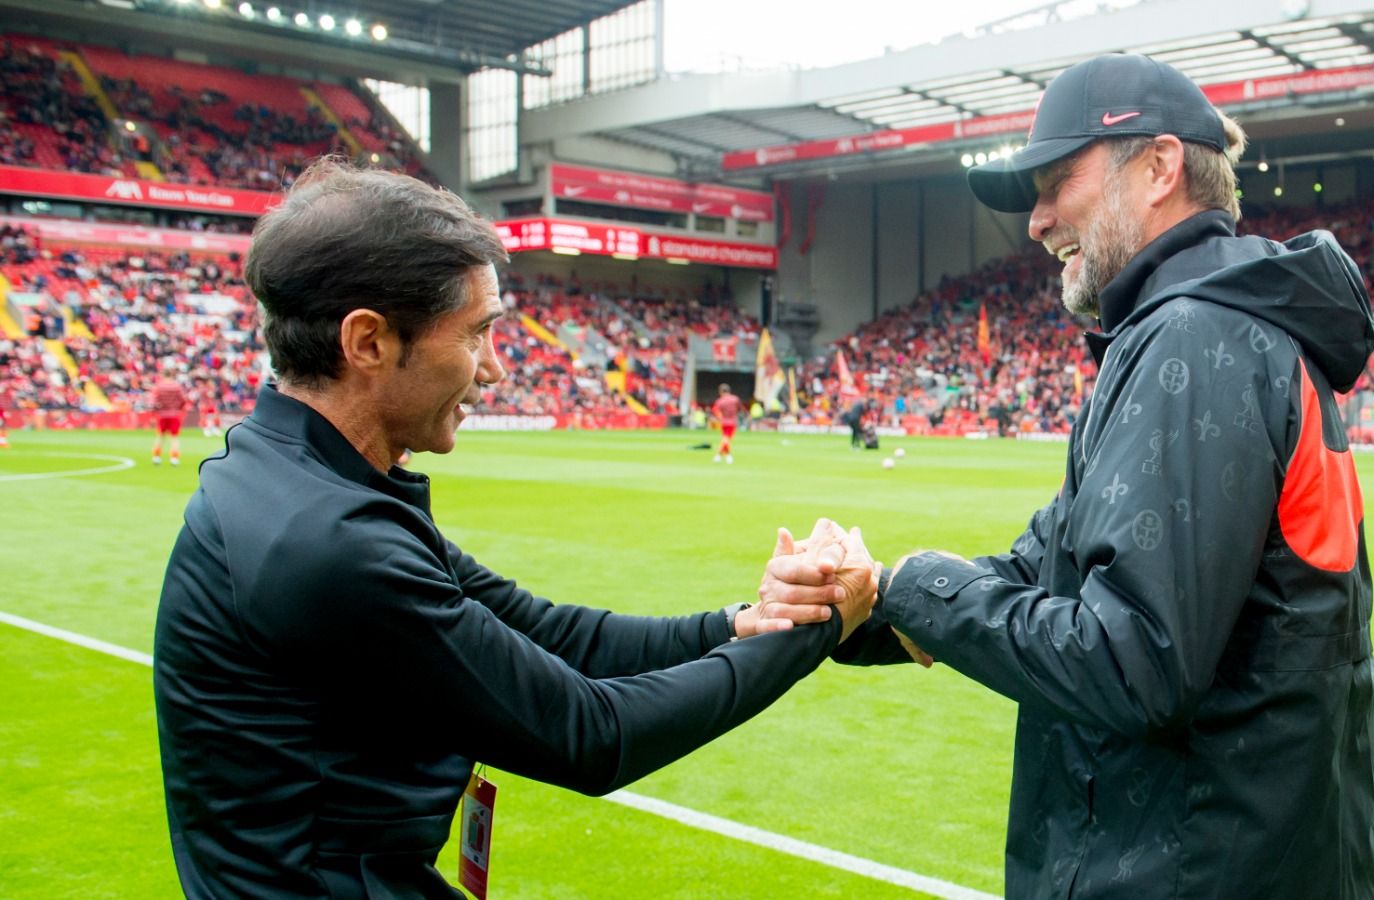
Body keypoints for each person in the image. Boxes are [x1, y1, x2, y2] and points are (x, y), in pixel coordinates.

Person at [153, 159, 875, 899]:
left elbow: (553, 635)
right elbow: (594, 735)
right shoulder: (328, 542)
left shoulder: (297, 480)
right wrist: (814, 629)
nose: (494, 369)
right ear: (367, 341)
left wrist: (749, 622)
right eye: (475, 335)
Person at [770, 54, 1374, 897]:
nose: (1037, 220)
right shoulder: (1193, 332)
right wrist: (870, 596)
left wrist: (916, 586)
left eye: (1059, 181)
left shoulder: (1198, 341)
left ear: (1162, 167)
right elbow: (1046, 570)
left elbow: (1134, 661)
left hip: (1194, 869)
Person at [150, 367, 186, 466]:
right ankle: (174, 458)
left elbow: (154, 401)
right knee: (174, 437)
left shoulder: (159, 386)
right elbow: (183, 399)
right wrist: (177, 407)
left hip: (162, 414)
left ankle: (156, 457)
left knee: (160, 436)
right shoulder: (177, 386)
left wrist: (155, 412)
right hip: (174, 414)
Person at [711, 382, 741, 463]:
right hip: (733, 421)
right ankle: (721, 455)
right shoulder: (735, 399)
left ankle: (726, 455)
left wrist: (720, 417)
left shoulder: (720, 401)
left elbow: (715, 410)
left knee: (725, 439)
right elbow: (739, 408)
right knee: (726, 440)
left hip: (724, 422)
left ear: (721, 391)